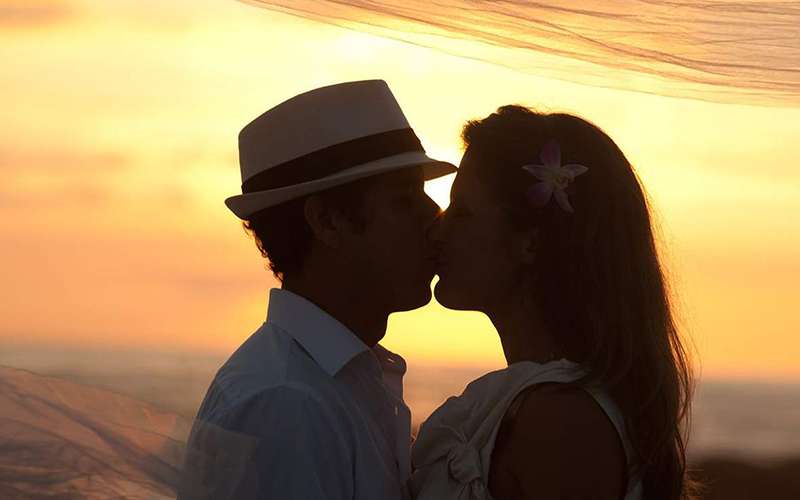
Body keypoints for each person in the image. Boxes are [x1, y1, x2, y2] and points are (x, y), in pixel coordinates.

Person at [179, 80, 456, 499]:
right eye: (404, 200)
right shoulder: (288, 403)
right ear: (328, 222)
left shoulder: (330, 381)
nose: (433, 215)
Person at [411, 106, 698, 500]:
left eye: (462, 213)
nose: (438, 230)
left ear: (529, 242)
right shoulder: (547, 406)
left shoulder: (560, 423)